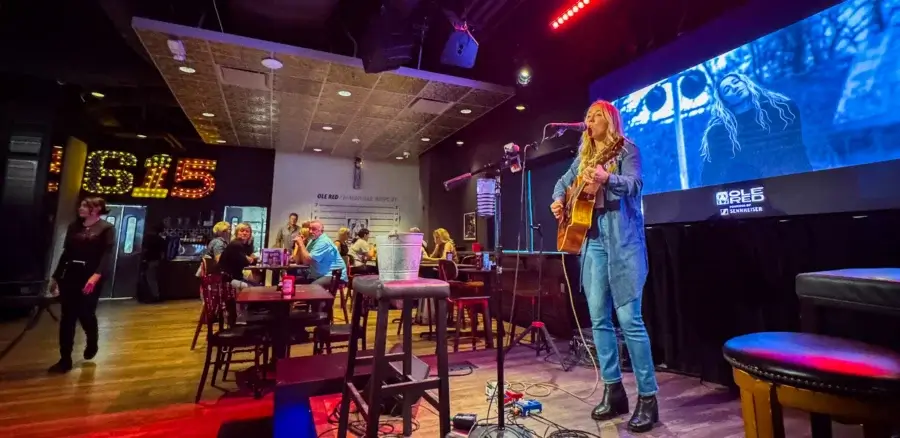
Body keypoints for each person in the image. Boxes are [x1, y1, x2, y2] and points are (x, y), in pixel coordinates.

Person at [550, 100, 659, 432]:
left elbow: (636, 185)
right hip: (593, 242)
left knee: (629, 320)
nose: (589, 120)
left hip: (624, 244)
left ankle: (648, 398)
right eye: (587, 116)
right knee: (598, 318)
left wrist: (606, 179)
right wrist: (558, 201)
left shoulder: (626, 150)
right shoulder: (583, 157)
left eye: (596, 115)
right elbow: (562, 183)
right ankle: (614, 392)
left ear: (610, 119)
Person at [699, 72, 811, 186]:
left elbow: (797, 151)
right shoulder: (719, 132)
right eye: (727, 89)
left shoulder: (781, 110)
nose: (734, 87)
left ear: (745, 82)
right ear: (725, 101)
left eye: (736, 82)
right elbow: (712, 173)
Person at [48, 197, 115, 373]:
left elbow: (107, 254)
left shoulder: (106, 228)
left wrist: (96, 275)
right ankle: (65, 359)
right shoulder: (74, 227)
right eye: (81, 205)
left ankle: (92, 340)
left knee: (85, 313)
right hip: (71, 274)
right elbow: (66, 253)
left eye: (86, 205)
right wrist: (55, 276)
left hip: (91, 274)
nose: (81, 208)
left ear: (97, 208)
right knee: (67, 318)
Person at [292, 220, 347, 287]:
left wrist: (301, 244)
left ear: (321, 231)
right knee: (293, 282)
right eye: (310, 229)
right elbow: (299, 261)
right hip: (319, 274)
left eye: (314, 229)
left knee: (312, 287)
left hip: (333, 274)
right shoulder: (312, 240)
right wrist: (299, 245)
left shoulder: (323, 241)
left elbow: (307, 260)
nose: (310, 231)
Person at [140, 224, 166, 303]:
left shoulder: (148, 238)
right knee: (152, 279)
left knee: (148, 279)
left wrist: (143, 259)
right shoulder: (161, 240)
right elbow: (163, 253)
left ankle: (152, 296)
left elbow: (144, 249)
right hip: (156, 260)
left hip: (148, 260)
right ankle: (155, 295)